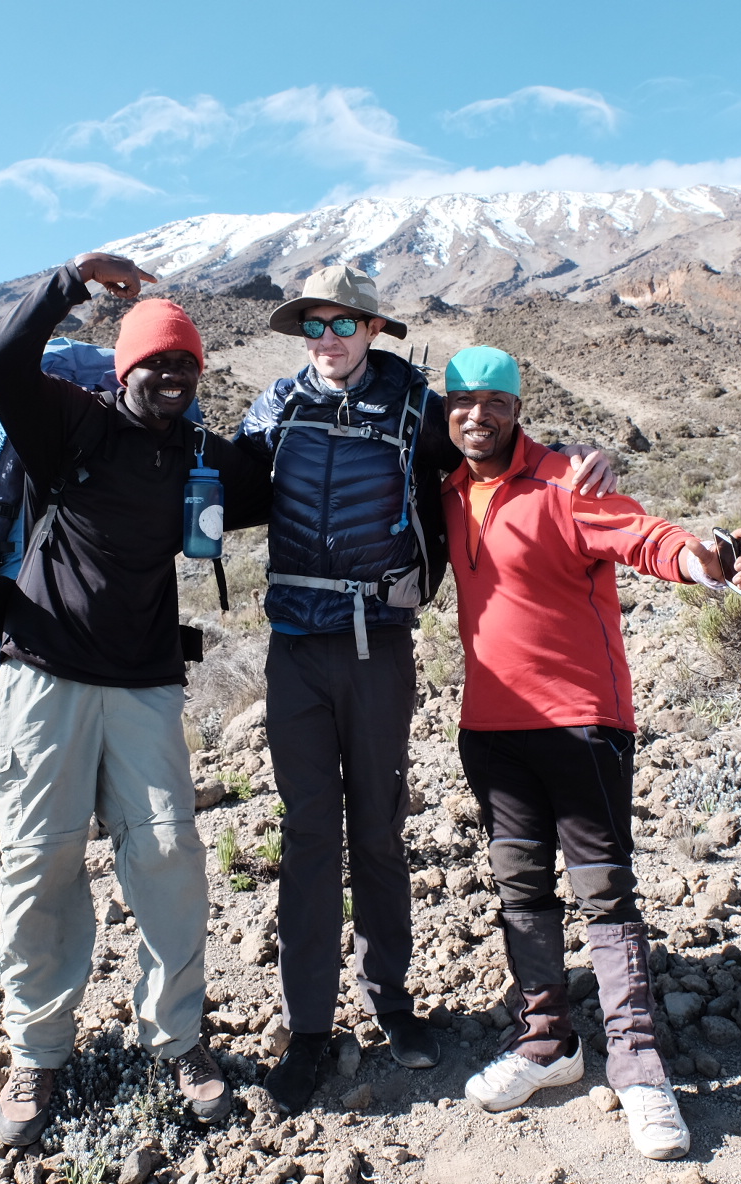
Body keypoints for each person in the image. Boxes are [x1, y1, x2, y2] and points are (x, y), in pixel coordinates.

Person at [232, 268, 615, 1114]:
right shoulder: (275, 409)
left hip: (379, 649)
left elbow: (499, 453)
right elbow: (224, 490)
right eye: (313, 326)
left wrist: (588, 455)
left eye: (341, 323)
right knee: (305, 838)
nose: (327, 339)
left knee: (376, 827)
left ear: (372, 326)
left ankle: (393, 1007)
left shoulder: (415, 404)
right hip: (294, 649)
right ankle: (307, 1032)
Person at [0, 251, 269, 1145]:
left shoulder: (198, 458)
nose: (171, 374)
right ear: (125, 366)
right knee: (38, 866)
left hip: (143, 688)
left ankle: (178, 1039)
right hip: (46, 679)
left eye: (186, 362)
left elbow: (296, 477)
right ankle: (37, 1054)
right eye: (154, 361)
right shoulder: (70, 425)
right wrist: (68, 283)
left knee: (171, 857)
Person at [437, 346, 741, 1158]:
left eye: (494, 402)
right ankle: (547, 1044)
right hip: (492, 730)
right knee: (520, 894)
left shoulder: (565, 486)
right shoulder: (443, 488)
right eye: (462, 401)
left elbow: (645, 537)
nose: (478, 414)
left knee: (605, 893)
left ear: (517, 408)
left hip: (581, 722)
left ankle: (639, 1067)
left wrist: (703, 558)